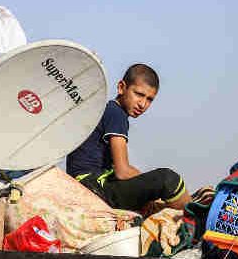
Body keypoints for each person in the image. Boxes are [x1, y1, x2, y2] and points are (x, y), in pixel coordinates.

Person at [67, 63, 191, 212]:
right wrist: (150, 186)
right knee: (169, 180)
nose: (143, 104)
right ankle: (197, 218)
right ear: (121, 87)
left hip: (94, 181)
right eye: (138, 94)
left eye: (149, 99)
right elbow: (123, 171)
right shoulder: (116, 114)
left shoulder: (109, 111)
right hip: (93, 186)